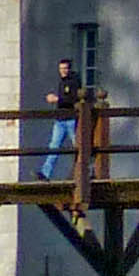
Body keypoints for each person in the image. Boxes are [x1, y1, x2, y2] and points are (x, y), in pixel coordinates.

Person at [35, 53, 84, 185]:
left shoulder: (74, 81)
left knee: (78, 146)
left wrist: (57, 99)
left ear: (69, 69)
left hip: (71, 119)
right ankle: (45, 173)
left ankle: (85, 171)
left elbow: (74, 98)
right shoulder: (61, 82)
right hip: (60, 119)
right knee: (54, 146)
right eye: (61, 69)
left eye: (65, 68)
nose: (62, 71)